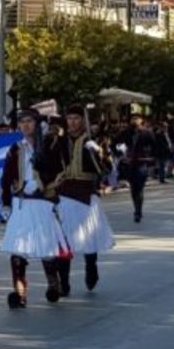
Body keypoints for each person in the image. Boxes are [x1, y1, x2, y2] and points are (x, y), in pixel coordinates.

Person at [0, 110, 67, 308]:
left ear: (37, 124)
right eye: (22, 122)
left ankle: (53, 283)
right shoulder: (16, 149)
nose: (26, 125)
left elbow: (60, 171)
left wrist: (44, 184)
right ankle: (20, 292)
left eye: (30, 121)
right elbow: (5, 178)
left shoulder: (49, 146)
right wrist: (5, 202)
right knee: (18, 250)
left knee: (47, 247)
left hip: (43, 201)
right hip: (22, 203)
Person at [52, 105, 115, 296]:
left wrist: (98, 153)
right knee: (63, 241)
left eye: (76, 118)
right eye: (69, 118)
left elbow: (106, 169)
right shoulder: (59, 142)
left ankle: (91, 267)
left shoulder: (93, 142)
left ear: (82, 120)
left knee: (89, 237)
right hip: (64, 193)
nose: (72, 122)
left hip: (86, 194)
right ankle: (64, 281)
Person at [125, 116, 156, 223]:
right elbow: (117, 143)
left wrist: (151, 160)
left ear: (141, 122)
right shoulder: (128, 133)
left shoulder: (147, 133)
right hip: (130, 163)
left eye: (136, 119)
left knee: (139, 188)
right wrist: (121, 152)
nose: (134, 121)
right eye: (133, 119)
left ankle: (138, 211)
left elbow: (154, 146)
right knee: (133, 189)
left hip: (142, 162)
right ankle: (136, 208)